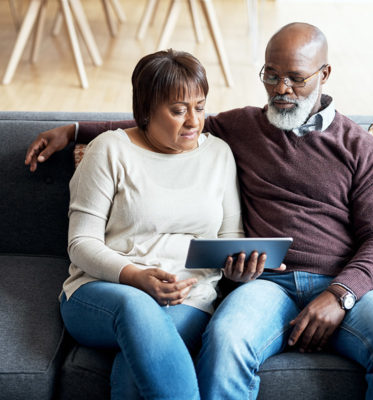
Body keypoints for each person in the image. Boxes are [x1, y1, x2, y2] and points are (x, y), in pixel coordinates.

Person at [25, 23, 373, 400]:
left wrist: (342, 293)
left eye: (296, 79)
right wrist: (75, 131)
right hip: (268, 285)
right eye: (271, 76)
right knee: (224, 341)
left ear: (325, 74)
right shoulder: (241, 126)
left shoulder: (360, 148)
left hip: (346, 283)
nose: (281, 89)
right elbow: (159, 126)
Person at [54, 48, 272, 400]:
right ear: (146, 110)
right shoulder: (108, 150)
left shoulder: (218, 154)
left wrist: (238, 270)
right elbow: (81, 243)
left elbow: (230, 237)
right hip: (103, 293)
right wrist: (135, 277)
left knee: (132, 372)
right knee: (137, 307)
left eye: (200, 106)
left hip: (189, 299)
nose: (193, 121)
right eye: (177, 110)